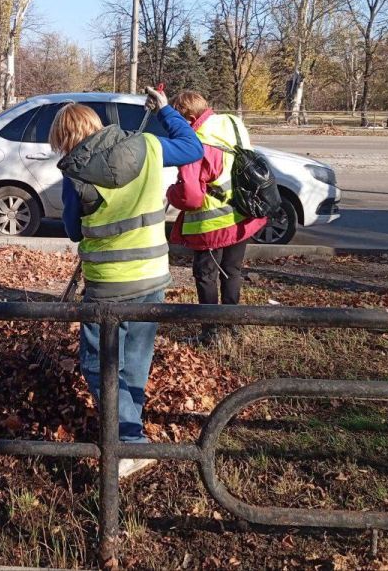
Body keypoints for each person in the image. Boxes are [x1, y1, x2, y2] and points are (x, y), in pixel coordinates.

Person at [51, 87, 203, 478]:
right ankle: (130, 436)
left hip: (107, 285)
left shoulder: (76, 172)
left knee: (96, 363)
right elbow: (192, 147)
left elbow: (72, 230)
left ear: (66, 139)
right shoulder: (149, 146)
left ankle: (129, 443)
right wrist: (166, 110)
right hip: (152, 276)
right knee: (135, 362)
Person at [166, 92, 267, 348]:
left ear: (189, 119)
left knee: (206, 276)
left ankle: (210, 333)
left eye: (178, 122)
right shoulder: (231, 122)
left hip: (212, 224)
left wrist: (170, 192)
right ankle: (231, 327)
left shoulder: (194, 143)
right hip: (243, 214)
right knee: (232, 271)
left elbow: (190, 198)